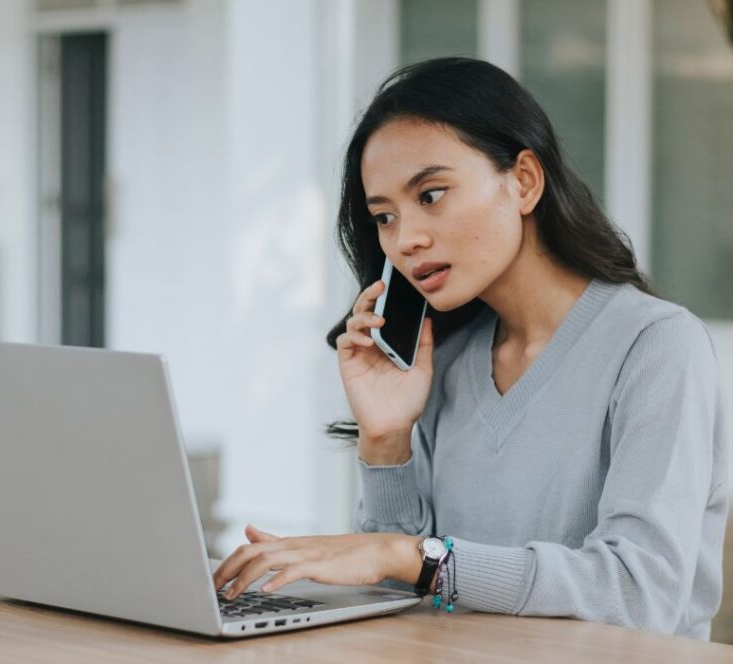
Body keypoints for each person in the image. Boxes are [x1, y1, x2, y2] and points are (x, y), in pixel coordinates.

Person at [211, 57, 730, 640]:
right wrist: (385, 441)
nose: (407, 239)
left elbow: (639, 594)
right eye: (384, 216)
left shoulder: (656, 346)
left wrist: (410, 556)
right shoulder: (447, 359)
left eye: (431, 195)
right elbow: (395, 592)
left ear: (524, 181)